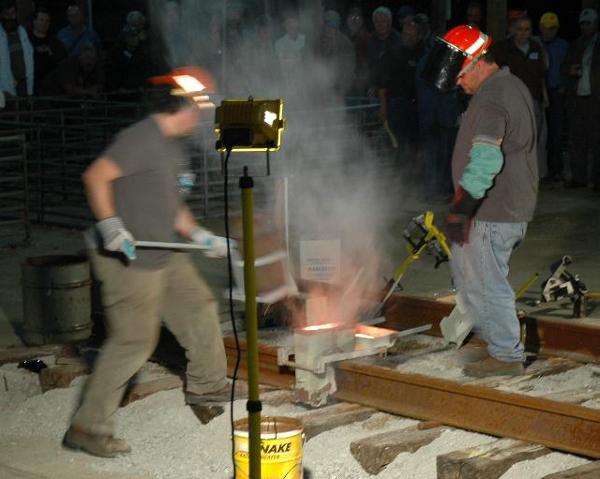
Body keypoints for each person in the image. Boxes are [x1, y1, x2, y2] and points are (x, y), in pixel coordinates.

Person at [62, 68, 236, 458]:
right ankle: (88, 427)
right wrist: (110, 226)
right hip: (128, 256)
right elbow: (96, 177)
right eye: (201, 106)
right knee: (135, 341)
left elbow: (172, 206)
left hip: (163, 251)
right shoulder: (140, 138)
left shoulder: (173, 146)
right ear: (185, 106)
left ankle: (207, 387)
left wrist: (200, 235)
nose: (204, 115)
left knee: (199, 306)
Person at [422, 25, 538, 377]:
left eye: (459, 76)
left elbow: (487, 160)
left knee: (487, 283)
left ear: (475, 62)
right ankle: (499, 346)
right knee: (472, 278)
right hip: (497, 209)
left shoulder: (493, 97)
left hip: (491, 211)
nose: (457, 83)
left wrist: (462, 208)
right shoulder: (508, 87)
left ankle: (506, 356)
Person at [490, 15, 547, 179]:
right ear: (512, 30)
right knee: (509, 140)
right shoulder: (502, 48)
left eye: (527, 29)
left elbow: (541, 75)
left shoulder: (536, 47)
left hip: (532, 101)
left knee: (532, 140)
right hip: (509, 103)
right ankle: (507, 176)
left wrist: (544, 97)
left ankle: (528, 176)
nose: (523, 33)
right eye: (520, 29)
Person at [561, 8, 600, 190]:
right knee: (577, 139)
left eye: (589, 23)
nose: (585, 27)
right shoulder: (576, 45)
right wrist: (570, 71)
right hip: (579, 99)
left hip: (595, 99)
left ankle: (597, 180)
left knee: (596, 139)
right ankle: (579, 178)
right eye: (583, 24)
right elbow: (565, 67)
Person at [538, 12, 569, 182]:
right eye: (545, 28)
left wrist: (564, 87)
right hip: (539, 93)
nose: (548, 32)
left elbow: (568, 67)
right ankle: (543, 170)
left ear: (556, 30)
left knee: (556, 132)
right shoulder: (535, 43)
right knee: (542, 133)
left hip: (557, 92)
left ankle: (556, 170)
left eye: (551, 29)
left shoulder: (563, 46)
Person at [29, 6, 66, 95]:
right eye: (41, 20)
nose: (44, 23)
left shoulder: (56, 43)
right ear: (34, 21)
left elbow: (62, 62)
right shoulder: (26, 40)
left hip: (52, 88)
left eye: (47, 21)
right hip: (32, 85)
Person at [0, 0, 33, 96]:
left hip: (24, 84)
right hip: (4, 88)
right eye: (6, 14)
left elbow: (28, 60)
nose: (10, 17)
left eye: (13, 13)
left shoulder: (22, 32)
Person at [366, 7, 400, 96]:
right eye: (377, 22)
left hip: (393, 89)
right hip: (374, 88)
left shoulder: (398, 40)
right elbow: (370, 65)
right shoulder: (371, 39)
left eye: (383, 21)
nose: (380, 24)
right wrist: (371, 85)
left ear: (389, 22)